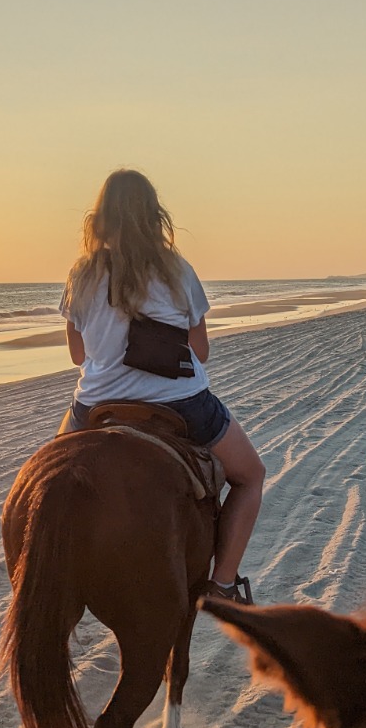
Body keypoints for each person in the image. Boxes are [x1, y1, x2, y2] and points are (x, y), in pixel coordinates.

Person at [58, 169, 265, 604]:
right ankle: (224, 583)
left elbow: (78, 357)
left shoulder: (82, 274)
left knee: (52, 485)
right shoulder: (177, 270)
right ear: (154, 216)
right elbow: (201, 351)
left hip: (97, 405)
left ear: (101, 218)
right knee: (250, 476)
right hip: (179, 404)